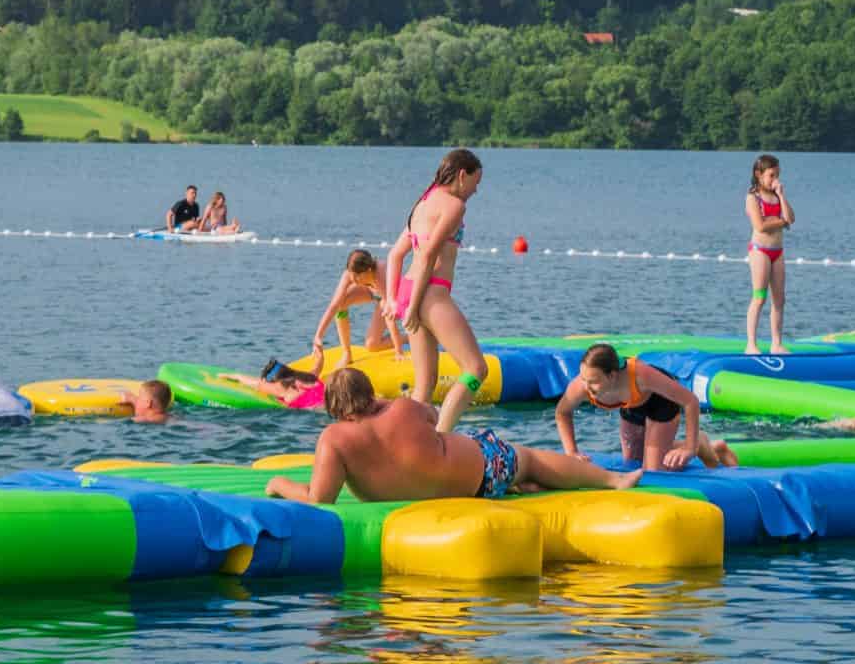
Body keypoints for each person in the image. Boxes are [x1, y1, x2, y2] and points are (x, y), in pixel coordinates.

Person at [265, 369, 640, 505]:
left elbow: (319, 499)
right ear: (370, 395)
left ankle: (598, 480)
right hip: (483, 473)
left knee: (528, 464)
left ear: (335, 409)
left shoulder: (335, 438)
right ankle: (612, 480)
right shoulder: (404, 407)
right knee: (528, 460)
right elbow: (433, 418)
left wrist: (280, 484)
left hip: (467, 487)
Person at [396, 148, 492, 434]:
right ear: (462, 175)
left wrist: (399, 302)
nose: (476, 191)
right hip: (429, 294)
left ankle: (407, 440)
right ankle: (440, 439)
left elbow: (397, 255)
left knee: (424, 385)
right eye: (475, 183)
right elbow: (426, 256)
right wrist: (414, 307)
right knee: (476, 369)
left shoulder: (423, 201)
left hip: (410, 289)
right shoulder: (453, 205)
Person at [555, 344, 736, 469]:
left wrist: (689, 447)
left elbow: (690, 401)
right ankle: (703, 445)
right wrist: (571, 452)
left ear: (612, 376)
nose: (586, 386)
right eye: (583, 378)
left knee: (653, 471)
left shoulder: (642, 376)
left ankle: (698, 445)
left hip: (661, 403)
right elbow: (562, 413)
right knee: (633, 463)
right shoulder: (581, 386)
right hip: (632, 405)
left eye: (592, 381)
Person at [311, 249, 404, 367]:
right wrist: (318, 336)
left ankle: (407, 339)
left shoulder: (382, 274)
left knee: (372, 345)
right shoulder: (350, 275)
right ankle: (347, 353)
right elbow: (333, 305)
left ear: (368, 270)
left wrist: (398, 350)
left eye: (357, 277)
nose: (353, 280)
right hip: (373, 293)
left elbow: (389, 313)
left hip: (394, 299)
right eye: (351, 275)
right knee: (341, 303)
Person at [743, 154, 794, 356]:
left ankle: (776, 343)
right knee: (759, 298)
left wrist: (781, 195)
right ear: (759, 174)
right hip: (760, 251)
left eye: (778, 175)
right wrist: (782, 222)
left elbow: (791, 218)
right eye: (772, 175)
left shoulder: (776, 196)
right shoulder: (752, 198)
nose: (775, 180)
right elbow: (760, 226)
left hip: (777, 251)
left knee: (779, 299)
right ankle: (751, 344)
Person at [230, 359, 327, 411]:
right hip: (332, 402)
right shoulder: (310, 377)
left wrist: (237, 377)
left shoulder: (282, 386)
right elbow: (318, 365)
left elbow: (257, 384)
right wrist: (318, 350)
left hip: (319, 412)